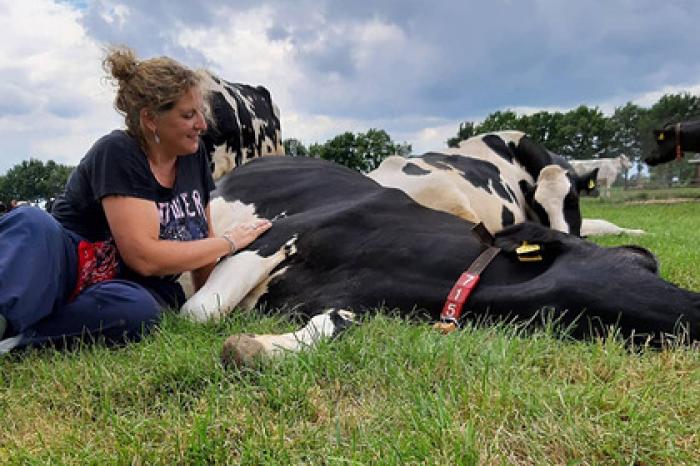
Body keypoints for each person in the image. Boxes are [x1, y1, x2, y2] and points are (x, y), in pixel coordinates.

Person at [0, 46, 271, 354]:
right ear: (150, 120)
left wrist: (211, 304)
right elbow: (143, 257)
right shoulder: (118, 152)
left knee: (141, 311)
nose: (202, 125)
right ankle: (9, 319)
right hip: (62, 268)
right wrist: (229, 242)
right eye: (188, 115)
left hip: (124, 289)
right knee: (31, 223)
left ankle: (17, 342)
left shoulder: (193, 159)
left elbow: (201, 243)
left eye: (200, 113)